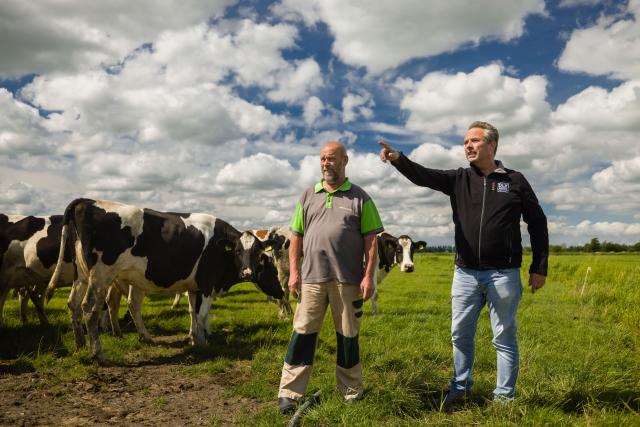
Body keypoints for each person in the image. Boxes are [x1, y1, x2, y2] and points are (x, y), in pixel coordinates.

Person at [379, 121, 548, 403]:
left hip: (503, 274)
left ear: (491, 145)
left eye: (474, 141)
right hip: (465, 274)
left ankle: (505, 398)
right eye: (465, 142)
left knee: (504, 337)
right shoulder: (459, 179)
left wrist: (539, 267)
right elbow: (424, 176)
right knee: (460, 334)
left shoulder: (515, 181)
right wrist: (398, 160)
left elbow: (537, 223)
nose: (467, 146)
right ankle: (460, 389)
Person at [277, 141, 384, 414]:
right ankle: (289, 393)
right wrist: (294, 273)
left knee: (348, 336)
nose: (326, 163)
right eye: (323, 159)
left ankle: (351, 391)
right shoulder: (307, 196)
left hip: (347, 280)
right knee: (302, 334)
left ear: (344, 160)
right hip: (311, 279)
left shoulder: (361, 198)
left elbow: (371, 241)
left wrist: (369, 276)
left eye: (332, 159)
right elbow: (296, 237)